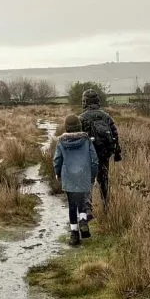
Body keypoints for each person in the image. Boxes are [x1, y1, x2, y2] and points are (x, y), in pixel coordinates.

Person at [53, 114, 98, 246]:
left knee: (72, 205)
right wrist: (93, 175)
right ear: (79, 126)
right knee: (82, 200)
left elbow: (57, 160)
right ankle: (83, 220)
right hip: (84, 174)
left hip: (68, 176)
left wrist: (57, 173)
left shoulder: (61, 141)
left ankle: (74, 235)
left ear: (66, 127)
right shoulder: (86, 140)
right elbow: (94, 160)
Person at [79, 89, 122, 206]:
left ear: (86, 101)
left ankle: (88, 208)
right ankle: (106, 206)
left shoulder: (81, 118)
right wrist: (117, 153)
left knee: (88, 180)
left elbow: (77, 137)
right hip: (104, 153)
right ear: (97, 101)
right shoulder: (106, 116)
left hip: (87, 155)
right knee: (104, 180)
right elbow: (115, 134)